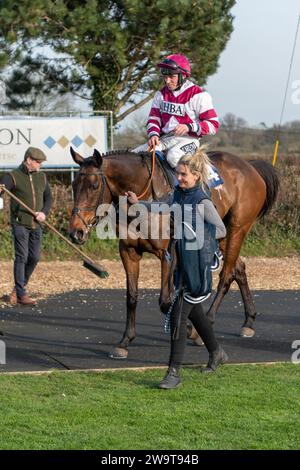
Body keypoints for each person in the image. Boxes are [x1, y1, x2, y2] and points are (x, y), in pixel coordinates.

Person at [126, 146, 227, 389]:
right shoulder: (177, 195)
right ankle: (216, 352)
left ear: (196, 176)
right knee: (195, 313)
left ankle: (174, 373)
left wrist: (197, 238)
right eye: (178, 173)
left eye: (183, 174)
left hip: (198, 269)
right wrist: (136, 203)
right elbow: (159, 205)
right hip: (181, 266)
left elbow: (221, 230)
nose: (179, 177)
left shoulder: (202, 201)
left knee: (179, 315)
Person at [134, 53, 219, 169]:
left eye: (171, 77)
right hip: (164, 139)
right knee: (134, 155)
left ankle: (195, 184)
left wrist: (189, 127)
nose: (167, 81)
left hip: (189, 140)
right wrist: (153, 134)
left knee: (173, 157)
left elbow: (213, 125)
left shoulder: (198, 95)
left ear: (183, 75)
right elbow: (154, 119)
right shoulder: (161, 94)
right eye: (165, 77)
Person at [0, 147, 52, 306]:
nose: (40, 165)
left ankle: (18, 289)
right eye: (38, 162)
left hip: (37, 224)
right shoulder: (13, 176)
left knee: (34, 257)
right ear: (29, 160)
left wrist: (44, 212)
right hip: (20, 223)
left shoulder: (42, 177)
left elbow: (48, 198)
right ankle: (22, 294)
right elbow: (2, 189)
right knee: (22, 257)